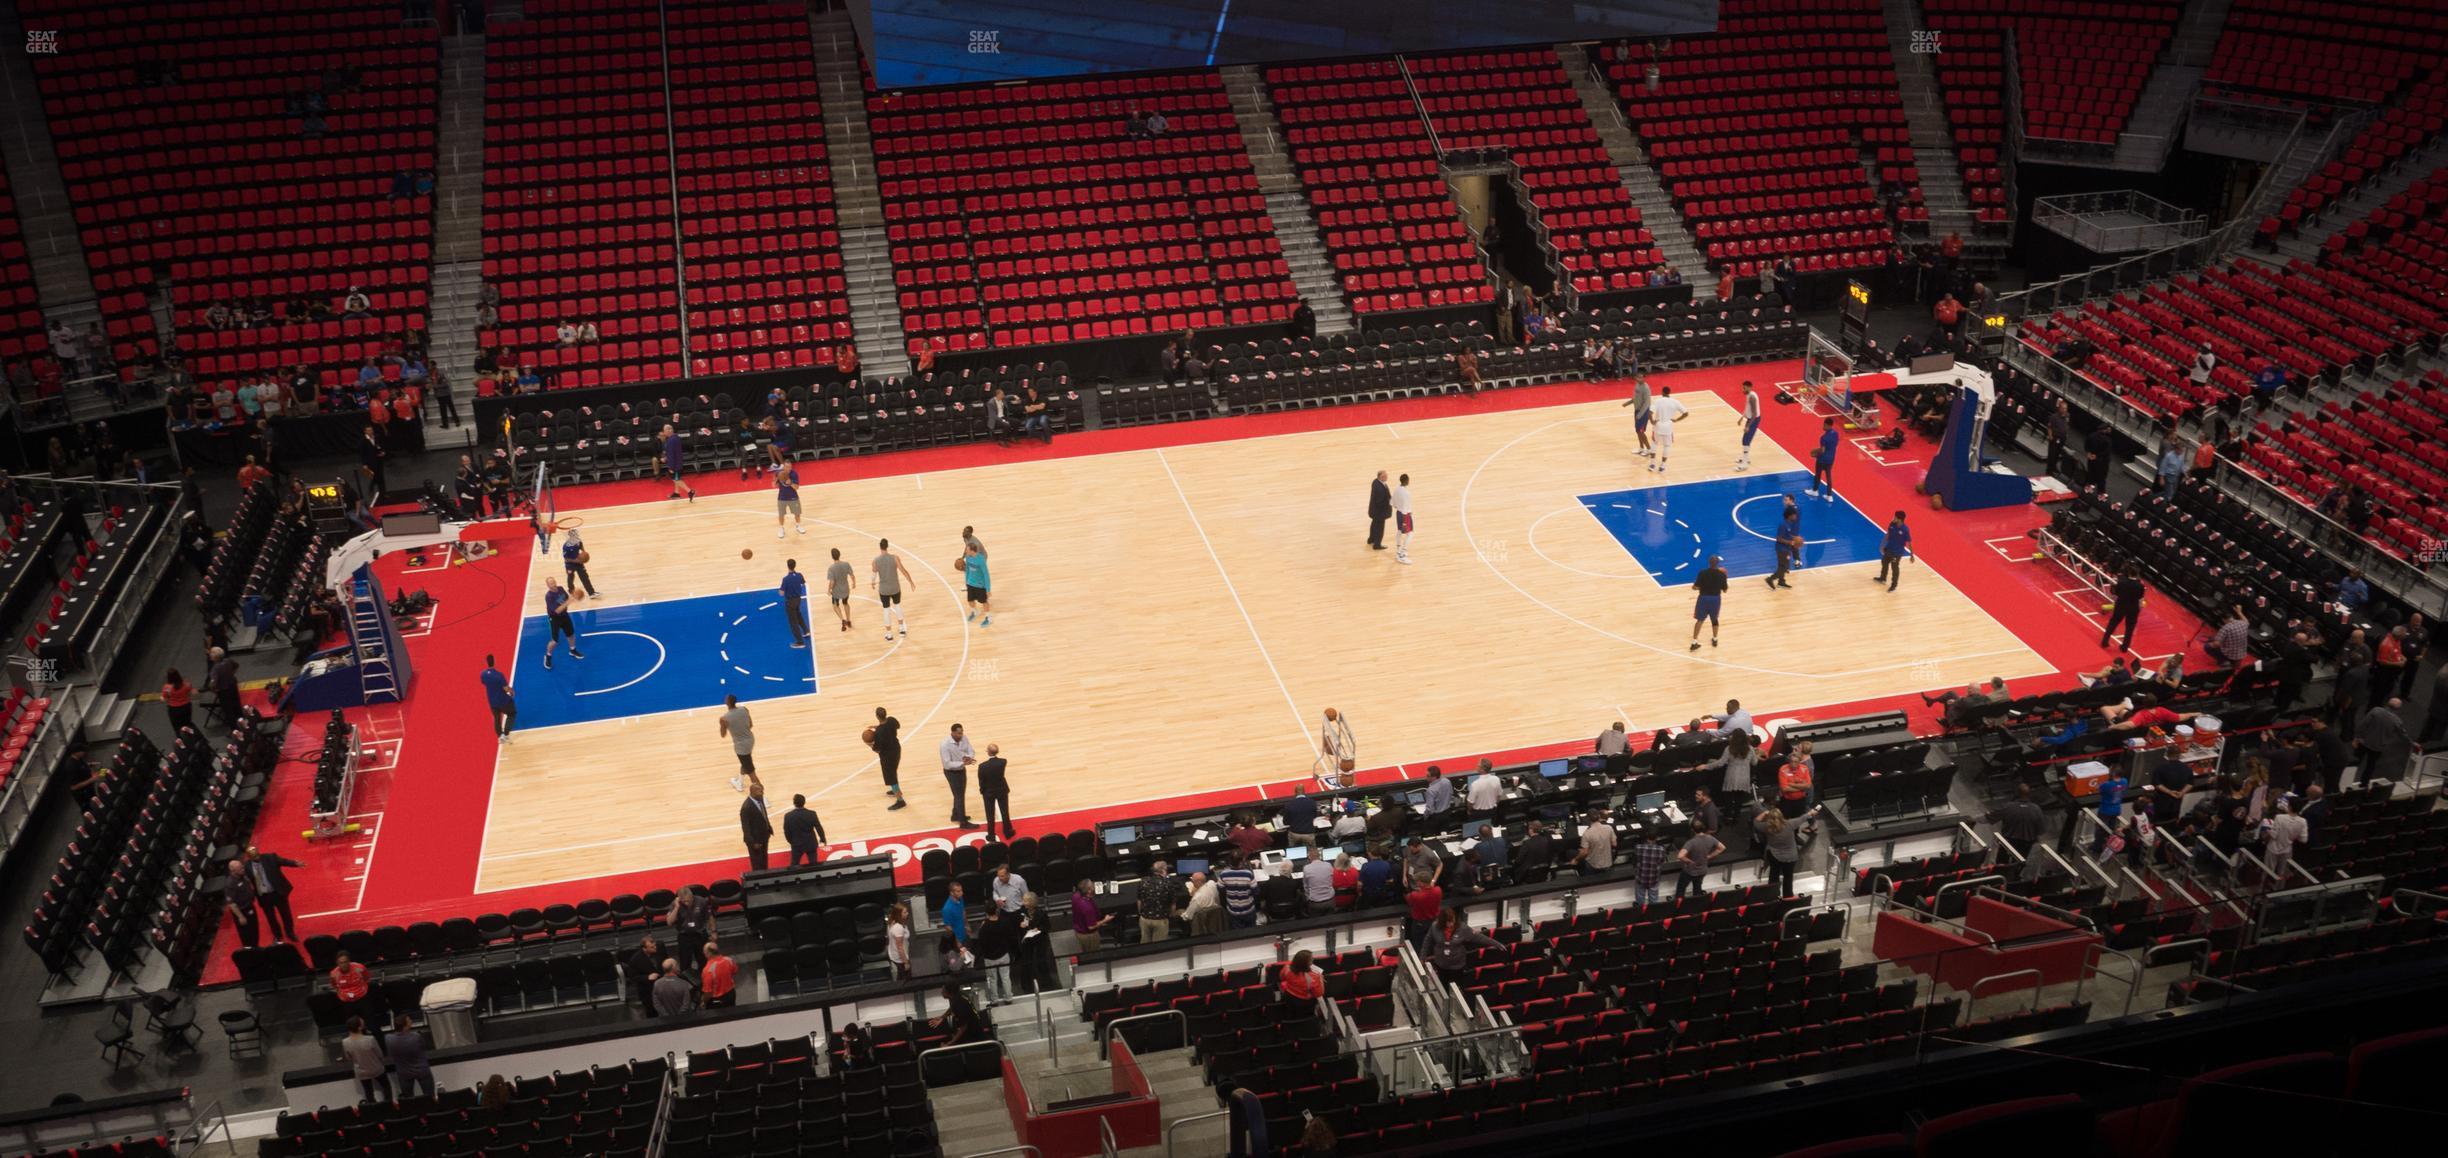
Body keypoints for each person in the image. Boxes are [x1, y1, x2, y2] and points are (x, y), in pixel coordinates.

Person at [1422, 908, 1496, 990]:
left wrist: (1495, 943)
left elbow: (1477, 937)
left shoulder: (1462, 928)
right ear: (1443, 922)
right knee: (1443, 987)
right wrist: (1422, 957)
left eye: (1452, 921)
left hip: (1457, 965)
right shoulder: (1434, 927)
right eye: (1449, 922)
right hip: (1441, 964)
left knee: (1456, 988)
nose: (1452, 924)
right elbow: (1427, 942)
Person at [246, 845, 304, 942]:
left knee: (286, 914)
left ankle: (290, 933)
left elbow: (284, 861)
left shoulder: (270, 858)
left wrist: (295, 863)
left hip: (277, 892)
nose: (257, 858)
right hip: (263, 896)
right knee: (271, 918)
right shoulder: (247, 866)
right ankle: (277, 935)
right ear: (249, 857)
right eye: (254, 857)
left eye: (257, 855)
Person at [2356, 697, 2419, 783]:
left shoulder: (2375, 711)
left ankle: (2348, 777)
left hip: (2365, 741)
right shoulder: (2397, 721)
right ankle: (2363, 784)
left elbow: (2363, 724)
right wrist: (2412, 743)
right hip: (2378, 746)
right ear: (2398, 709)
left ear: (2387, 704)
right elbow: (2403, 735)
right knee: (2370, 765)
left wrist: (2357, 737)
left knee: (2357, 761)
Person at [872, 538, 914, 641]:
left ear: (880, 547)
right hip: (895, 587)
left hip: (884, 590)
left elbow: (874, 575)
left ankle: (889, 634)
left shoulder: (875, 561)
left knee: (886, 610)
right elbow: (904, 571)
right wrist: (910, 581)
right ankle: (901, 629)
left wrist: (873, 583)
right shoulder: (895, 558)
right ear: (887, 546)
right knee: (897, 606)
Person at [940, 722, 978, 829]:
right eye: (958, 734)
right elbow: (947, 764)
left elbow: (970, 750)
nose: (960, 735)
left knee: (958, 795)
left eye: (961, 733)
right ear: (952, 733)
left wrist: (969, 757)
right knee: (959, 796)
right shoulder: (945, 745)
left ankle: (955, 815)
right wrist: (963, 763)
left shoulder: (964, 738)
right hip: (951, 772)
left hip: (961, 770)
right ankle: (963, 823)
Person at [1752, 805, 1797, 896]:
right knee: (1788, 877)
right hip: (1790, 856)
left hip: (1774, 855)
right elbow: (1803, 817)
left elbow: (1755, 822)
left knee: (1774, 874)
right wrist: (1810, 813)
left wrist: (1764, 813)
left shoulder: (1766, 827)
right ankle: (1788, 897)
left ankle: (1772, 895)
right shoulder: (1790, 824)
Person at [386, 1014, 433, 1101]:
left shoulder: (389, 1039)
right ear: (405, 1025)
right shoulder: (416, 1037)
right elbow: (423, 1047)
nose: (411, 1021)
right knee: (429, 1096)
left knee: (409, 1100)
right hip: (421, 1070)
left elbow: (390, 1053)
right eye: (409, 1020)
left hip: (404, 1072)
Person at [540, 576, 583, 670]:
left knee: (571, 634)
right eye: (550, 583)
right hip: (554, 619)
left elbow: (565, 598)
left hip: (564, 616)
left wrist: (575, 596)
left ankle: (573, 650)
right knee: (554, 641)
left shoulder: (560, 589)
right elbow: (557, 611)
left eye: (553, 582)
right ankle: (548, 656)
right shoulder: (549, 596)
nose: (553, 584)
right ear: (547, 585)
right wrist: (569, 601)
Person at [343, 1018, 390, 1103]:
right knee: (386, 1086)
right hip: (376, 1068)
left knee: (368, 1092)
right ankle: (388, 1105)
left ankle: (372, 1108)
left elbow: (349, 1058)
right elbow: (380, 1054)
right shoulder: (370, 1039)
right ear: (359, 1028)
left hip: (361, 1071)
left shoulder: (345, 1042)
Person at [2101, 563, 2146, 651]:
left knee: (2113, 623)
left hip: (2121, 605)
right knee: (2130, 628)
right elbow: (2140, 599)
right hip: (2133, 608)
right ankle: (2125, 647)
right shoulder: (2140, 586)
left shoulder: (2121, 582)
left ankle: (2105, 641)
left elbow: (2116, 593)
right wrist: (2139, 609)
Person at [669, 885, 714, 970]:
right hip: (684, 937)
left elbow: (710, 917)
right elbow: (669, 922)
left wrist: (713, 931)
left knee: (703, 961)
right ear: (679, 899)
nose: (687, 903)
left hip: (700, 935)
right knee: (685, 962)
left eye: (688, 901)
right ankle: (687, 981)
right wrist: (676, 907)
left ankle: (704, 979)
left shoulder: (701, 901)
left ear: (692, 896)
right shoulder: (675, 904)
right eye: (684, 901)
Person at [718, 694, 757, 790]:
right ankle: (739, 782)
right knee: (745, 763)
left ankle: (762, 798)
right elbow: (750, 725)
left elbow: (723, 735)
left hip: (741, 746)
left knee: (751, 773)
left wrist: (722, 725)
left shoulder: (724, 718)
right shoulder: (744, 709)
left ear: (727, 702)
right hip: (750, 740)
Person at [1690, 555, 1728, 651]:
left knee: (1700, 620)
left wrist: (1696, 587)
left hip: (1703, 598)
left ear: (1709, 562)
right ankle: (1715, 639)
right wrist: (1725, 579)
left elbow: (1695, 587)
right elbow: (1725, 590)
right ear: (1718, 563)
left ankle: (1694, 642)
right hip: (1715, 599)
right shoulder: (1722, 575)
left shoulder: (1702, 573)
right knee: (1714, 619)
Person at [1674, 822, 1722, 898]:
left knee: (1681, 890)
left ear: (1692, 830)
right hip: (1702, 870)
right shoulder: (1711, 838)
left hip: (1689, 871)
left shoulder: (1691, 842)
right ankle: (1697, 905)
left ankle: (1678, 906)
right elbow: (1722, 848)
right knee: (1697, 889)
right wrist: (1709, 856)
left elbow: (1680, 856)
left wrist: (1688, 861)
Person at [1646, 386, 1689, 472]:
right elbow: (1686, 413)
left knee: (1654, 443)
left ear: (1662, 392)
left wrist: (1652, 421)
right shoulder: (1675, 402)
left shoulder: (1657, 401)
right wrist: (1676, 420)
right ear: (1669, 392)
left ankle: (1652, 464)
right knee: (1667, 446)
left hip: (1658, 425)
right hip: (1668, 426)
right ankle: (1662, 466)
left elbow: (1650, 413)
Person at [870, 706, 905, 810]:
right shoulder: (891, 720)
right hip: (896, 749)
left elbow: (877, 750)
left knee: (891, 777)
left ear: (877, 716)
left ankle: (900, 801)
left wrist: (868, 743)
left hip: (887, 756)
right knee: (893, 772)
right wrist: (877, 727)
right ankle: (895, 790)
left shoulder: (879, 733)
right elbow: (897, 726)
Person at [977, 743, 1014, 839]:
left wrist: (982, 790)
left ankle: (991, 834)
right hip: (1001, 790)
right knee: (1005, 811)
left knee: (990, 814)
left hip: (988, 792)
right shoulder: (1003, 762)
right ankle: (1008, 832)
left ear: (988, 752)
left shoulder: (982, 766)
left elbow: (981, 781)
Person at [1137, 862, 1180, 942]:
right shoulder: (1168, 884)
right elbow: (1173, 904)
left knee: (1144, 944)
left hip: (1144, 919)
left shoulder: (1143, 881)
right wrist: (1171, 916)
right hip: (1160, 920)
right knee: (1158, 946)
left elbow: (1139, 901)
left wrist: (1141, 913)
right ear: (1164, 870)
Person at [224, 859, 262, 949]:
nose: (243, 869)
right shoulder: (230, 884)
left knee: (255, 931)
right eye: (240, 868)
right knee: (246, 935)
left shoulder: (243, 876)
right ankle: (250, 951)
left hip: (250, 907)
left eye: (242, 867)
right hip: (242, 911)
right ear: (233, 871)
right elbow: (232, 904)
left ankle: (256, 948)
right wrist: (240, 916)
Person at [783, 793, 826, 866]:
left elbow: (786, 831)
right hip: (810, 843)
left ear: (794, 803)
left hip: (797, 844)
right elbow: (818, 827)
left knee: (794, 865)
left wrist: (791, 841)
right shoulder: (812, 814)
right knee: (813, 864)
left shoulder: (788, 816)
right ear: (804, 802)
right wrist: (822, 838)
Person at [1318, 707, 1356, 788]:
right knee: (1332, 743)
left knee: (1336, 743)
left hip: (1337, 750)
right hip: (1334, 746)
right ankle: (1329, 743)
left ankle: (1329, 743)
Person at [1217, 855, 1259, 928]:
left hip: (1233, 910)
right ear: (1241, 862)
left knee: (1239, 934)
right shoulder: (1248, 874)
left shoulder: (1223, 874)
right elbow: (1256, 891)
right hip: (1248, 909)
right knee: (1252, 932)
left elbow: (1220, 890)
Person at [626, 936, 664, 1016]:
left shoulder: (659, 950)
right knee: (652, 1012)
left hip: (663, 985)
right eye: (652, 947)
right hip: (648, 989)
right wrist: (647, 977)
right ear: (644, 948)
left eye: (655, 945)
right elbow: (632, 977)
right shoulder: (635, 960)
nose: (655, 948)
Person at [480, 654, 514, 739]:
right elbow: (506, 689)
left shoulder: (483, 674)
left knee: (496, 718)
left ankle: (500, 736)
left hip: (492, 701)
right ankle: (506, 732)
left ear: (486, 662)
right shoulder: (499, 675)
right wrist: (512, 691)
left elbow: (483, 682)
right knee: (512, 713)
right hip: (502, 700)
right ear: (494, 662)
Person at [1575, 806, 1618, 874]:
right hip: (1608, 864)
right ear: (1599, 817)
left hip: (1593, 866)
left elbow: (1585, 852)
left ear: (1588, 819)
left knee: (1574, 853)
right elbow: (1614, 844)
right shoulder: (1609, 828)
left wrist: (1575, 859)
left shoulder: (1587, 833)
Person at [1877, 511, 1912, 591]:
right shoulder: (1892, 524)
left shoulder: (1905, 530)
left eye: (1895, 517)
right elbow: (1888, 534)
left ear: (1899, 519)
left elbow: (1909, 542)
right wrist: (1882, 545)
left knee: (1894, 568)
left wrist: (1911, 555)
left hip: (1897, 553)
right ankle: (1883, 578)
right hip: (1889, 549)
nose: (1893, 518)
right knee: (1884, 562)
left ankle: (1894, 585)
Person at [661, 423, 696, 501]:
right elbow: (672, 452)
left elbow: (672, 454)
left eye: (664, 431)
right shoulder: (675, 438)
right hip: (677, 462)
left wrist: (671, 467)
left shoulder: (671, 440)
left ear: (669, 430)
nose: (663, 432)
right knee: (676, 478)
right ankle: (676, 493)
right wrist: (666, 458)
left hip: (675, 465)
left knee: (676, 479)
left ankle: (690, 491)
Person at [825, 548, 856, 634]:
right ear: (839, 555)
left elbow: (832, 582)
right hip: (845, 589)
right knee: (845, 603)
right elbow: (852, 575)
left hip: (836, 592)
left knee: (835, 606)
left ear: (832, 557)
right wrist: (854, 583)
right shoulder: (846, 564)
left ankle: (843, 619)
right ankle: (849, 620)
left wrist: (829, 590)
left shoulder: (831, 568)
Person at [1621, 375, 1653, 457]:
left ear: (1644, 378)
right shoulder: (1637, 385)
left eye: (1640, 377)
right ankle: (1641, 448)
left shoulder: (1646, 388)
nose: (1638, 379)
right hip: (1637, 410)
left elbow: (1647, 403)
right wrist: (1628, 403)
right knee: (1638, 431)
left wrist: (1640, 414)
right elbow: (1636, 398)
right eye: (1637, 377)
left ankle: (1649, 449)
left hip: (1643, 412)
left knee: (1641, 431)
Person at [1183, 871, 1224, 935]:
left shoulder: (1197, 898)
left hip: (1201, 924)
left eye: (1193, 881)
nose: (1192, 883)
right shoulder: (1212, 883)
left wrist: (1182, 915)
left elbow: (1188, 916)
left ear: (1198, 882)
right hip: (1216, 920)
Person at [1734, 380, 1762, 471]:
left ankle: (1745, 464)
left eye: (1744, 388)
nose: (1743, 389)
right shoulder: (1749, 395)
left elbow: (1754, 414)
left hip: (1754, 420)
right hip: (1750, 419)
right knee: (1746, 440)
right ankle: (1746, 458)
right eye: (1742, 387)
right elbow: (1747, 408)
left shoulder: (1752, 397)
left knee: (1745, 440)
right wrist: (1741, 418)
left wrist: (1748, 426)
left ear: (1749, 387)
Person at [560, 529, 597, 598]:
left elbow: (581, 546)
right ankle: (571, 591)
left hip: (579, 562)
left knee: (585, 577)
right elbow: (566, 558)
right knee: (571, 578)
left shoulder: (578, 541)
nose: (577, 537)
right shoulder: (566, 546)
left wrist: (584, 553)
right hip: (570, 564)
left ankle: (591, 593)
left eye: (577, 535)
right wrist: (577, 561)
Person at [700, 940, 738, 1008]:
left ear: (709, 953)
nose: (704, 954)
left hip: (718, 1000)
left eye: (704, 952)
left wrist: (704, 1001)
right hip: (731, 994)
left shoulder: (708, 970)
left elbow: (708, 993)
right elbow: (734, 971)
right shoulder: (729, 960)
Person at [962, 543, 992, 626]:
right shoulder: (968, 557)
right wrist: (966, 582)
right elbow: (967, 570)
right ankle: (975, 612)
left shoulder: (980, 560)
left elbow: (986, 574)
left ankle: (988, 618)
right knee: (970, 600)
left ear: (972, 551)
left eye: (967, 550)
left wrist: (988, 589)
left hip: (980, 585)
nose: (965, 551)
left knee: (984, 602)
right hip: (970, 583)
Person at [773, 462, 805, 539]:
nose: (789, 469)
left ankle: (798, 526)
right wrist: (777, 479)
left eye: (790, 467)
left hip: (793, 497)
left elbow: (797, 487)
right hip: (782, 498)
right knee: (781, 514)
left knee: (797, 513)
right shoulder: (778, 473)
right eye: (787, 467)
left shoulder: (794, 474)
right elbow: (774, 485)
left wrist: (790, 483)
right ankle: (781, 528)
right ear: (783, 467)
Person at [1812, 417, 1840, 499]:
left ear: (1827, 425)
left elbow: (1822, 450)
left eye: (1824, 425)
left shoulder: (1823, 438)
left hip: (1822, 460)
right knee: (1828, 476)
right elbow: (1835, 445)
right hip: (1831, 459)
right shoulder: (1836, 434)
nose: (1823, 426)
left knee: (1818, 475)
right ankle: (1829, 495)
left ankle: (1815, 491)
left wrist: (1816, 454)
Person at [1390, 472, 1414, 564]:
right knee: (1410, 534)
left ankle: (1398, 550)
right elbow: (1405, 508)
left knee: (1399, 532)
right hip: (1405, 515)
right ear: (1407, 481)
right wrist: (1404, 522)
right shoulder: (1406, 493)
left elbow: (1392, 503)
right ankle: (1402, 553)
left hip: (1398, 513)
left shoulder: (1396, 490)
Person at [884, 903, 913, 979]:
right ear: (898, 914)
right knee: (907, 979)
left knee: (900, 977)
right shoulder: (898, 928)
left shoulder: (892, 922)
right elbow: (900, 948)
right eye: (905, 912)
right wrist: (906, 962)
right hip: (900, 959)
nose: (908, 913)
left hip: (895, 955)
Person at [1366, 470, 1392, 550]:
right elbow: (1380, 502)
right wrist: (1390, 502)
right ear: (1381, 477)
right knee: (1380, 529)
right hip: (1380, 513)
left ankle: (1371, 539)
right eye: (1385, 476)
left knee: (1374, 525)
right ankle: (1377, 545)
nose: (1387, 477)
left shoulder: (1375, 481)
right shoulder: (1380, 488)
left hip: (1374, 511)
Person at [941, 880, 969, 947]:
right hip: (957, 940)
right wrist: (956, 941)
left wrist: (967, 925)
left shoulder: (960, 898)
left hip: (964, 934)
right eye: (958, 891)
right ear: (951, 893)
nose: (962, 893)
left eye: (961, 890)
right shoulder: (947, 909)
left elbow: (963, 912)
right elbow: (948, 927)